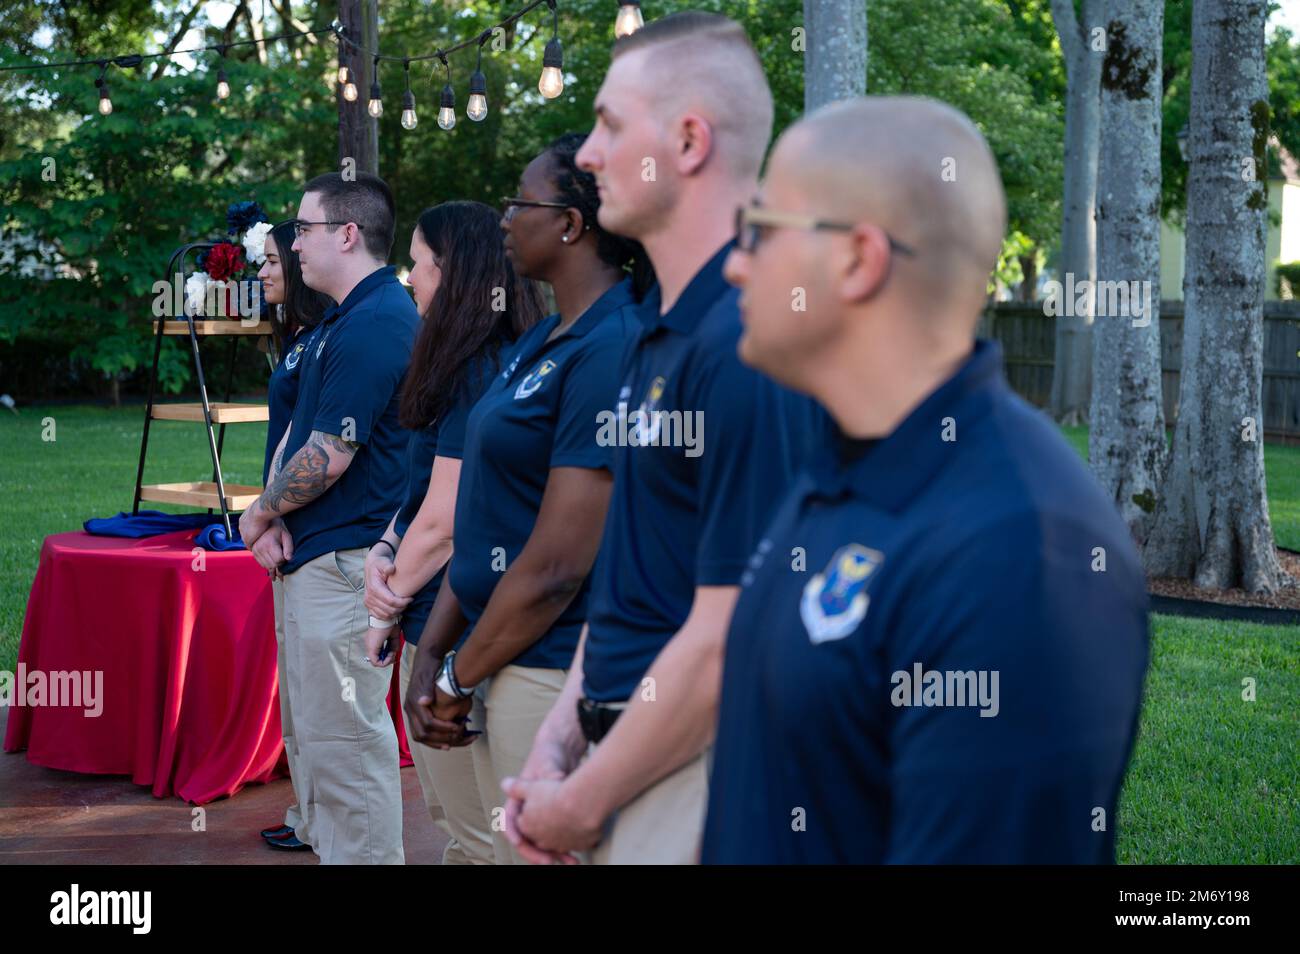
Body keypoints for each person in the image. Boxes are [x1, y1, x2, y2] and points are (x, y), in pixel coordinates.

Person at [701, 96, 1150, 863]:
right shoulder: (841, 462)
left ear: (858, 259)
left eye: (761, 229)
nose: (735, 261)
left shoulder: (1019, 552)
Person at [501, 12, 822, 865]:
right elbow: (633, 583)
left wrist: (580, 803)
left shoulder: (754, 345)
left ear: (687, 141)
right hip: (621, 765)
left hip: (701, 779)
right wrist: (557, 747)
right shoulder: (654, 335)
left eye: (609, 124)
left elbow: (730, 638)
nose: (591, 154)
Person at [402, 133, 648, 865]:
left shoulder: (614, 347)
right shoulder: (541, 339)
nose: (504, 217)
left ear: (571, 225)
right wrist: (431, 654)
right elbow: (481, 527)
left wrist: (454, 674)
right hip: (484, 653)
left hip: (544, 667)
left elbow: (557, 565)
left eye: (521, 201)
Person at [238, 171, 417, 865]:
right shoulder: (344, 318)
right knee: (318, 735)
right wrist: (279, 517)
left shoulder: (376, 321)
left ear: (347, 234)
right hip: (316, 550)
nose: (294, 244)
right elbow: (300, 437)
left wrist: (258, 513)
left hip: (348, 564)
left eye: (305, 229)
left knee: (346, 748)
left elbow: (330, 454)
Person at [363, 200, 545, 864]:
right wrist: (384, 548)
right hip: (437, 612)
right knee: (457, 822)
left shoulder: (483, 368)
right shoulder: (464, 360)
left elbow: (445, 522)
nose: (410, 277)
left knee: (476, 832)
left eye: (418, 263)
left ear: (454, 271)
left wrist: (385, 606)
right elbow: (417, 499)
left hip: (460, 622)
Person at [251, 219, 331, 853]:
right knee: (299, 701)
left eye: (274, 259)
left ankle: (324, 821)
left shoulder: (329, 336)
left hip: (313, 531)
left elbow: (319, 444)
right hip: (287, 526)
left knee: (324, 707)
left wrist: (268, 513)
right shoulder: (299, 337)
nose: (267, 269)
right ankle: (308, 816)